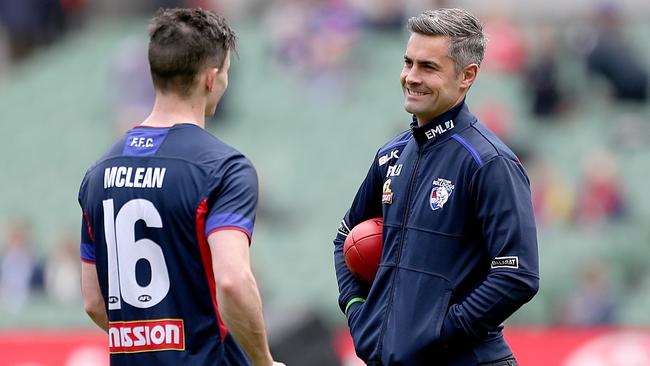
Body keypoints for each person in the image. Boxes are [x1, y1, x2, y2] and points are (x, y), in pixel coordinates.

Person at [333, 8, 539, 366]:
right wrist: (358, 312)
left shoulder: (490, 163)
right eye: (408, 63)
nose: (411, 77)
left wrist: (441, 333)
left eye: (428, 67)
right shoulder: (391, 155)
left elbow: (517, 273)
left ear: (467, 76)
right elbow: (345, 237)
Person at [78, 8, 283, 366]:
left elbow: (94, 302)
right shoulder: (224, 168)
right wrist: (264, 362)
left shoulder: (98, 173)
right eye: (226, 74)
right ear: (210, 78)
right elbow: (233, 281)